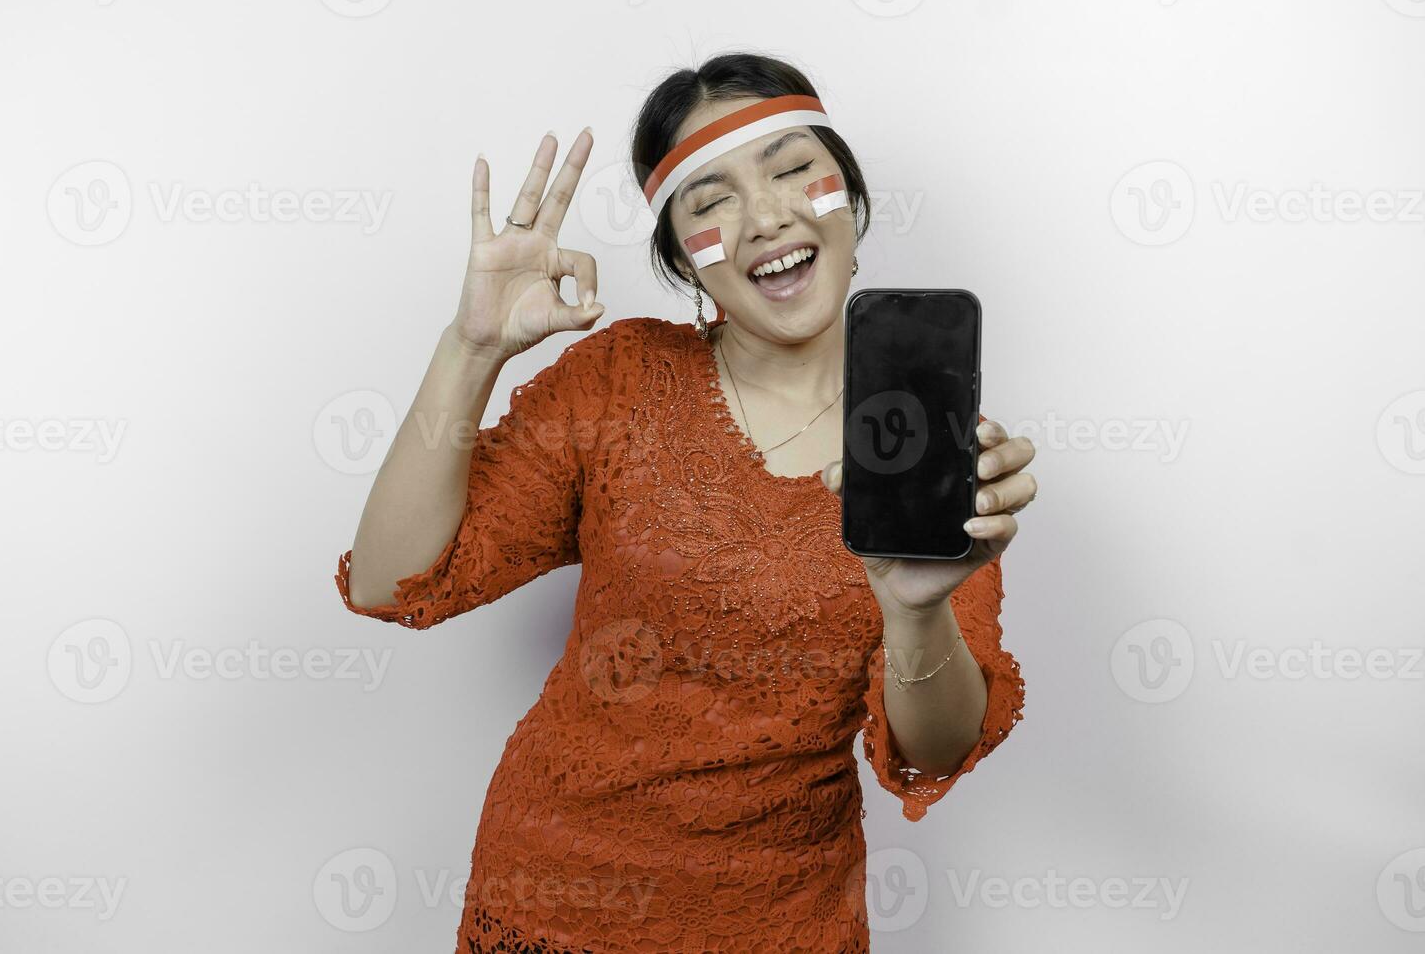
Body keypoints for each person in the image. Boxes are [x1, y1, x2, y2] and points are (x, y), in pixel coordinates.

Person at [337, 51, 1037, 954]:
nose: (766, 216)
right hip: (554, 900)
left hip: (785, 923)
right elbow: (391, 585)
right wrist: (471, 348)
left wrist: (916, 610)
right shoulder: (618, 381)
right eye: (711, 202)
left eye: (791, 170)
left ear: (852, 207)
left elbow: (932, 752)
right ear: (682, 261)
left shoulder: (936, 447)